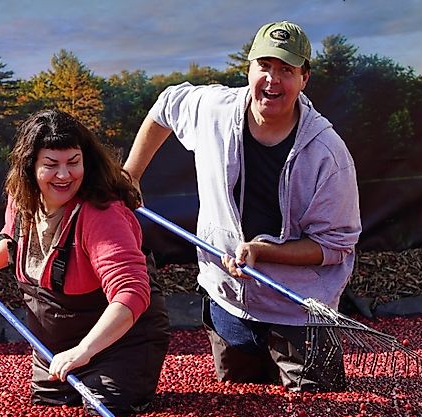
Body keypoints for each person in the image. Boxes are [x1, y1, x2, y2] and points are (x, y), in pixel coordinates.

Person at [123, 21, 361, 392]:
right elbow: (168, 104)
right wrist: (131, 174)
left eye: (286, 69)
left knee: (320, 403)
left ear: (304, 79)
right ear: (248, 70)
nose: (273, 80)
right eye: (264, 66)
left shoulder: (328, 153)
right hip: (228, 301)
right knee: (240, 395)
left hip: (298, 308)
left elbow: (334, 246)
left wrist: (264, 252)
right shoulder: (215, 110)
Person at [0, 109, 170, 416]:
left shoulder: (103, 215)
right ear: (30, 168)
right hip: (56, 346)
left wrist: (83, 351)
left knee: (104, 405)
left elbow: (131, 293)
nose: (64, 175)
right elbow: (12, 239)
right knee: (52, 407)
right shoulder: (22, 198)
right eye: (51, 165)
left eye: (73, 163)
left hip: (122, 340)